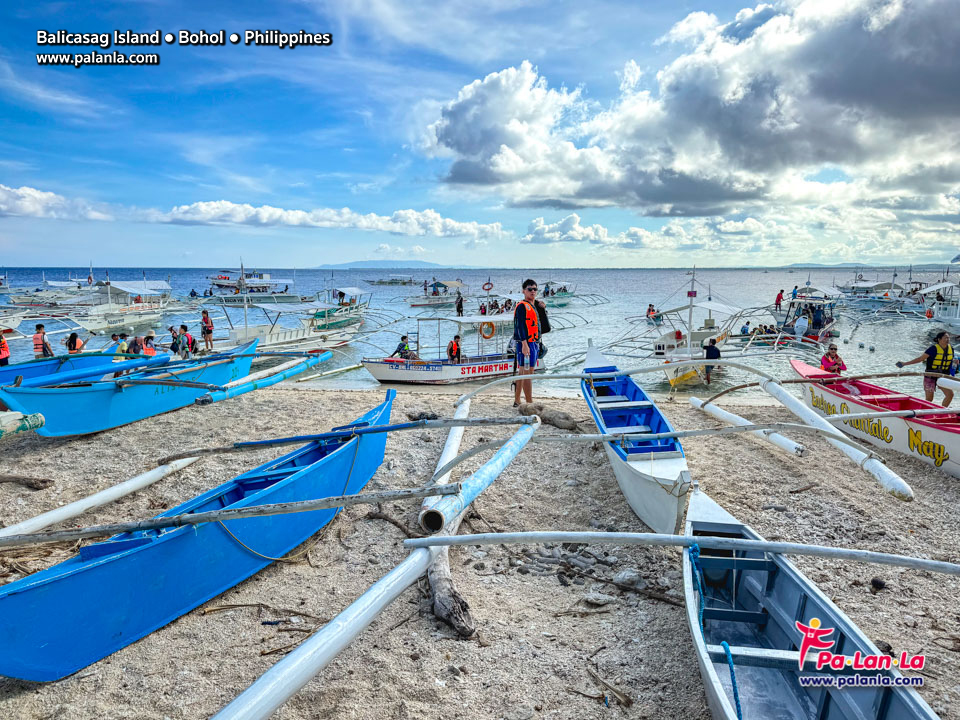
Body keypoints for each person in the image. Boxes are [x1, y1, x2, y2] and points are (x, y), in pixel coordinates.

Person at [897, 331, 956, 406]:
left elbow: (949, 360)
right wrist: (904, 363)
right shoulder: (932, 349)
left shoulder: (951, 349)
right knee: (929, 399)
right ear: (939, 339)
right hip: (930, 375)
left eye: (948, 338)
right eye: (946, 338)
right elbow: (920, 359)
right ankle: (923, 411)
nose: (948, 340)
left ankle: (942, 410)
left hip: (943, 376)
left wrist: (955, 362)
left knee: (950, 394)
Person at [513, 279, 541, 408]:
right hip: (526, 342)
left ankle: (517, 400)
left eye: (535, 289)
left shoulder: (533, 306)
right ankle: (529, 403)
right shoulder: (522, 306)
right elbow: (520, 326)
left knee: (523, 372)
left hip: (533, 342)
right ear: (524, 291)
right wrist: (524, 344)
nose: (533, 291)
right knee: (527, 373)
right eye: (530, 289)